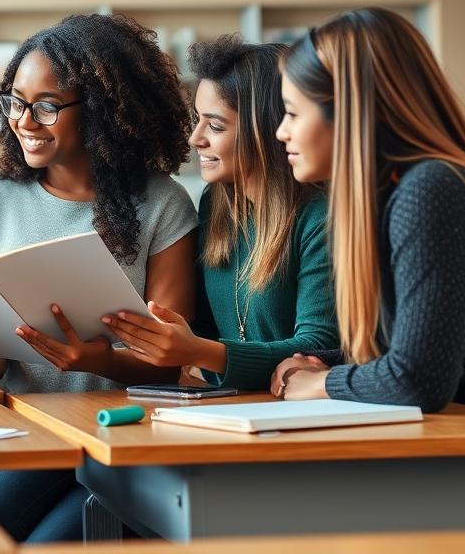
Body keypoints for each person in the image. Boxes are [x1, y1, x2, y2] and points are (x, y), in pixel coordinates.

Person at [0, 12, 198, 542]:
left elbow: (170, 360)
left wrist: (95, 360)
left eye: (47, 106)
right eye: (15, 102)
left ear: (101, 109)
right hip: (22, 425)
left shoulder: (163, 204)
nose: (25, 121)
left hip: (116, 432)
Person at [272, 7, 465, 535]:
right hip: (457, 486)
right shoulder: (392, 199)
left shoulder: (433, 191)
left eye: (292, 113)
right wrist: (320, 364)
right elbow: (411, 351)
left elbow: (418, 378)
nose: (281, 132)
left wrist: (319, 383)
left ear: (351, 112)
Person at [105, 37, 337, 390]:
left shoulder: (319, 217)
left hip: (300, 411)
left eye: (215, 126)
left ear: (268, 129)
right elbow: (205, 333)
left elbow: (317, 349)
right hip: (230, 404)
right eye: (197, 120)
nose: (196, 139)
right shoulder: (215, 204)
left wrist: (199, 354)